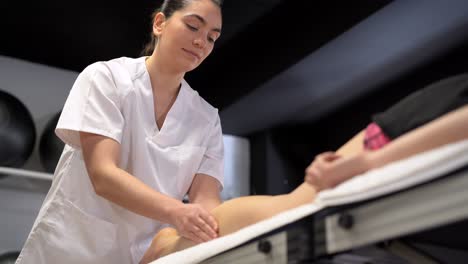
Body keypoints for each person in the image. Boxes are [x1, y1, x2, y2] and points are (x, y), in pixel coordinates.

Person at [139, 74, 468, 263]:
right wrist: (371, 162)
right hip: (420, 125)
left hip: (430, 120)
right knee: (290, 209)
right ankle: (166, 245)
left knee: (290, 208)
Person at [16, 1, 224, 263]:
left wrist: (221, 229)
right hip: (72, 249)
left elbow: (207, 199)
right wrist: (177, 213)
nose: (201, 42)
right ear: (159, 23)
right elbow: (104, 175)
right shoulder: (107, 78)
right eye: (193, 26)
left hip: (147, 255)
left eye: (212, 37)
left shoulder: (206, 119)